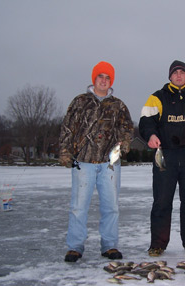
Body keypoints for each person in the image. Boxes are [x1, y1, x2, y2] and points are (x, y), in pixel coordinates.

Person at [59, 61, 134, 262]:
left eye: (107, 77)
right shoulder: (80, 101)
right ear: (94, 79)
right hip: (83, 162)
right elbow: (67, 127)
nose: (103, 80)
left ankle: (109, 246)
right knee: (78, 207)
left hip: (109, 164)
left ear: (111, 82)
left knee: (111, 207)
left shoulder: (118, 105)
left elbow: (127, 129)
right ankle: (75, 247)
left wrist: (124, 144)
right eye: (100, 76)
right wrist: (65, 151)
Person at [139, 60, 185, 257]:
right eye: (175, 73)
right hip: (166, 156)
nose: (179, 76)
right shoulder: (157, 98)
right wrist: (151, 136)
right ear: (170, 76)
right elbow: (146, 121)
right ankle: (158, 244)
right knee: (162, 201)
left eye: (182, 72)